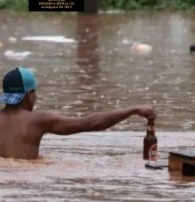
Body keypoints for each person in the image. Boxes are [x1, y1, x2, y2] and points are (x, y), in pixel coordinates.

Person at [0, 67, 156, 160]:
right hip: (26, 180)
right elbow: (90, 123)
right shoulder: (38, 120)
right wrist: (133, 110)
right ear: (29, 95)